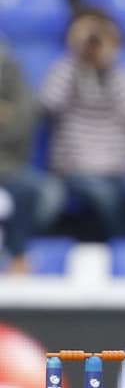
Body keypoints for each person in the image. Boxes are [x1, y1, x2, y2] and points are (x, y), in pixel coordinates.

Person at [39, 6, 125, 242]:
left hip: (119, 170)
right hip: (75, 171)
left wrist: (108, 62)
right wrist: (76, 58)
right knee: (104, 197)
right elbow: (48, 103)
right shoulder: (65, 70)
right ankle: (120, 248)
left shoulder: (122, 75)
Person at [0, 41, 62, 274]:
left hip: (8, 165)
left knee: (41, 191)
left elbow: (21, 124)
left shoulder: (9, 67)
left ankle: (19, 256)